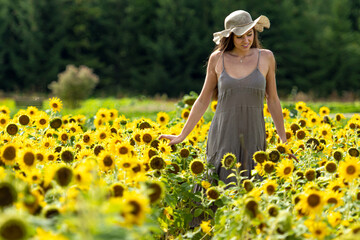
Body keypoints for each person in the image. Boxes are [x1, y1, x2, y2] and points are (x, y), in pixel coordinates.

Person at [159, 10, 295, 184]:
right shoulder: (217, 59)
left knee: (253, 188)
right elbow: (202, 100)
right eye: (240, 37)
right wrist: (182, 135)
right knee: (220, 187)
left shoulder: (266, 57)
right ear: (230, 37)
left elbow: (273, 100)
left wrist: (283, 140)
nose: (246, 41)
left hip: (254, 133)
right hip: (223, 133)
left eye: (249, 34)